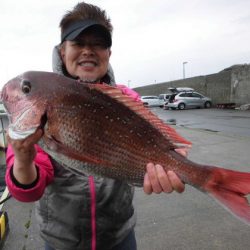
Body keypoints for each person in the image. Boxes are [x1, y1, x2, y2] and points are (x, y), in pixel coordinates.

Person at [5, 2, 187, 250]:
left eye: (98, 44)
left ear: (109, 54)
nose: (88, 51)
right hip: (61, 243)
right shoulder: (40, 112)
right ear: (62, 51)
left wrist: (176, 162)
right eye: (78, 43)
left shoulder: (127, 100)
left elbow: (156, 143)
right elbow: (28, 193)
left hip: (119, 238)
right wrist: (24, 159)